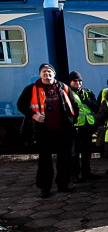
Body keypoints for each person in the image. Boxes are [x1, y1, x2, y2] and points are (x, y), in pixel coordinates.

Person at [17, 63, 79, 198]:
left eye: (49, 71)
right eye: (44, 72)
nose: (47, 74)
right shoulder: (31, 89)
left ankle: (63, 185)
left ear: (54, 74)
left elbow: (74, 105)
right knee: (45, 160)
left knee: (64, 159)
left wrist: (71, 121)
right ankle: (45, 188)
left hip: (63, 130)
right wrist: (33, 115)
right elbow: (21, 105)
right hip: (43, 130)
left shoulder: (63, 87)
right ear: (40, 74)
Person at [69, 71, 99, 183]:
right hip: (75, 126)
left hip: (87, 125)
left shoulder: (87, 92)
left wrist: (87, 101)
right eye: (75, 81)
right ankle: (74, 174)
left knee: (87, 151)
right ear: (70, 81)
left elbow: (96, 107)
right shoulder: (67, 92)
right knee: (74, 152)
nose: (78, 83)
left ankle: (86, 172)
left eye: (79, 80)